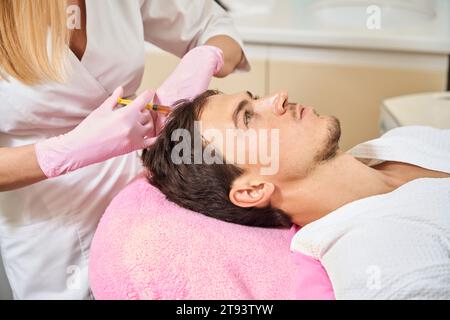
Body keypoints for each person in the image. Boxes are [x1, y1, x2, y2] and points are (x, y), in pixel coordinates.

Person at [0, 0, 247, 299]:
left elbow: (215, 26)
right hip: (52, 223)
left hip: (145, 198)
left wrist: (206, 55)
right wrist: (63, 152)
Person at [143, 89, 450, 299]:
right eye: (247, 118)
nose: (279, 97)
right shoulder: (381, 263)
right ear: (252, 190)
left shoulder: (401, 142)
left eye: (255, 99)